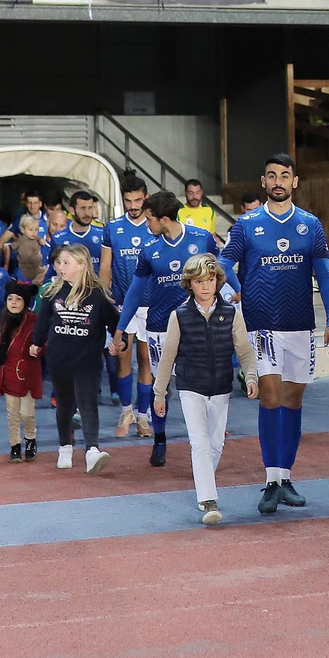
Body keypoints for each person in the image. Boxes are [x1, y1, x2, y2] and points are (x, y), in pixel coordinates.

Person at [221, 153, 329, 514]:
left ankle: (285, 478)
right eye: (271, 175)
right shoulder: (246, 224)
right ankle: (271, 480)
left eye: (284, 176)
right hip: (260, 324)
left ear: (294, 181)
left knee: (293, 401)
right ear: (263, 182)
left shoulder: (311, 224)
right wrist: (238, 286)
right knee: (270, 396)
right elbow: (224, 261)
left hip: (301, 324)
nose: (277, 181)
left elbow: (325, 275)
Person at [116, 190, 237, 466]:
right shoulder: (149, 250)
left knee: (205, 381)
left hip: (198, 325)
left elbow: (222, 268)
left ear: (164, 218)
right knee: (162, 387)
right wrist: (121, 327)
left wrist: (240, 291)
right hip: (160, 327)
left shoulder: (201, 238)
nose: (147, 224)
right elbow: (135, 291)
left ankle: (208, 438)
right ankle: (160, 439)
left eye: (150, 219)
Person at [154, 254, 260, 524]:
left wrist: (251, 378)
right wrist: (159, 392)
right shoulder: (178, 316)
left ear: (217, 281)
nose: (205, 286)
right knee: (199, 442)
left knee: (216, 444)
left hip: (221, 387)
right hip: (191, 387)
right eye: (199, 281)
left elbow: (245, 352)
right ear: (189, 283)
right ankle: (209, 500)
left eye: (210, 280)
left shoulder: (231, 314)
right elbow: (168, 356)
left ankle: (204, 486)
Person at [33, 245, 119, 474]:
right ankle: (65, 447)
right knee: (65, 405)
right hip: (59, 359)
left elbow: (115, 322)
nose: (60, 267)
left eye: (66, 263)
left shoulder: (97, 294)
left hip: (87, 360)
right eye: (59, 263)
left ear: (82, 266)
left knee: (88, 404)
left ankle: (92, 450)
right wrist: (36, 342)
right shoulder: (51, 293)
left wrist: (120, 342)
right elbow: (42, 322)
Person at [99, 173, 151, 428]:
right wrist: (105, 299)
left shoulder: (155, 227)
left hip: (151, 305)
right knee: (122, 357)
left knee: (146, 359)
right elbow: (105, 267)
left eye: (138, 200)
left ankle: (143, 416)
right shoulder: (113, 228)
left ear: (146, 198)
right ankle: (126, 410)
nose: (134, 206)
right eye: (129, 201)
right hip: (122, 304)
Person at [0, 281, 41, 461]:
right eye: (10, 298)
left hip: (26, 375)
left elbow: (43, 341)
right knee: (12, 414)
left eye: (18, 299)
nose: (14, 302)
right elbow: (3, 340)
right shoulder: (6, 320)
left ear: (25, 302)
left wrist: (39, 348)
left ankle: (30, 439)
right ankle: (15, 446)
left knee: (27, 413)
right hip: (9, 373)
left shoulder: (33, 321)